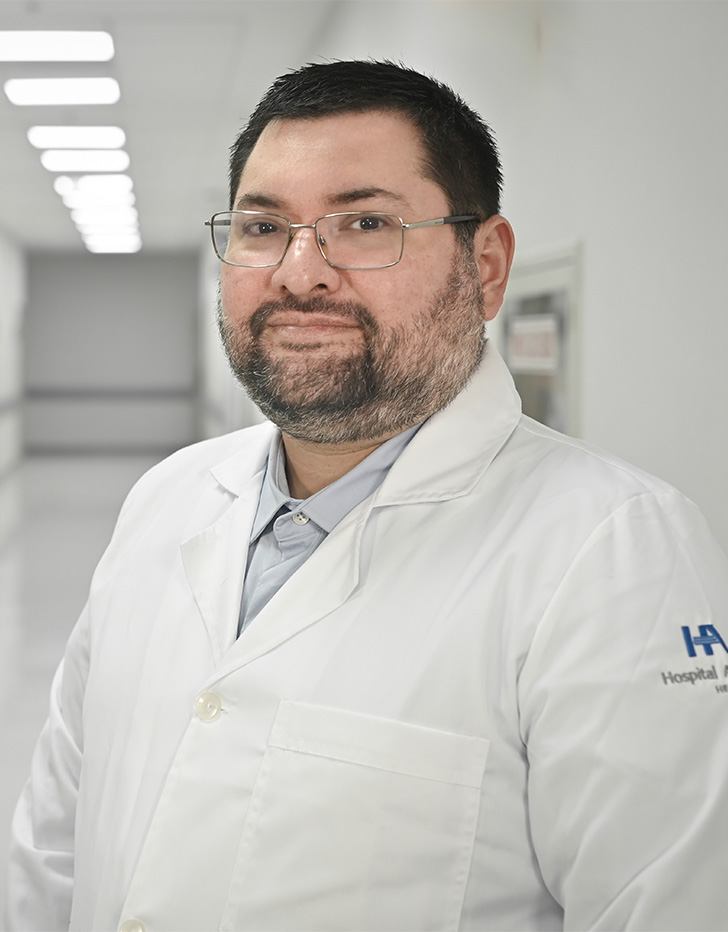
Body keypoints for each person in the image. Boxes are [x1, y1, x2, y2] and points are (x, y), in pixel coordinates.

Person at [5, 60, 728, 932]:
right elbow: (52, 854)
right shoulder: (167, 498)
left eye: (365, 223)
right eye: (263, 225)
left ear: (487, 266)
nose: (299, 272)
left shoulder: (615, 553)